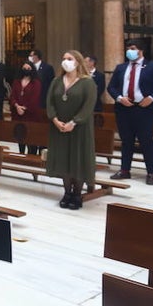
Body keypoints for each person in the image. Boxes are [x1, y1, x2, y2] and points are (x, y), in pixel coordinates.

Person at [107, 42, 153, 185]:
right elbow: (111, 87)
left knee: (145, 140)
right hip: (124, 108)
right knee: (126, 141)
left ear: (141, 51)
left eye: (133, 49)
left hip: (144, 108)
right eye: (128, 49)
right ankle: (125, 170)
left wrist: (152, 98)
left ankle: (151, 171)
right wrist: (119, 98)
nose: (129, 51)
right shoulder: (121, 68)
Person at [45, 51, 98, 209]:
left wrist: (73, 122)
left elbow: (88, 106)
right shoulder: (56, 81)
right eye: (63, 59)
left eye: (69, 59)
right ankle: (67, 192)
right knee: (63, 159)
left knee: (77, 160)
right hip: (59, 127)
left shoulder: (87, 82)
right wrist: (55, 119)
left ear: (78, 62)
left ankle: (77, 194)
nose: (65, 61)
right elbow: (50, 102)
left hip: (79, 128)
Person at [9, 62, 43, 155]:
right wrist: (16, 106)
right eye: (24, 68)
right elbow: (12, 96)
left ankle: (32, 155)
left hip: (31, 114)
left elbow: (35, 98)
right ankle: (21, 154)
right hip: (17, 114)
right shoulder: (16, 81)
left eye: (28, 68)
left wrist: (24, 108)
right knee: (20, 135)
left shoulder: (36, 82)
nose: (26, 70)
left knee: (31, 137)